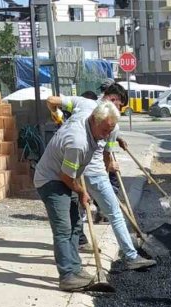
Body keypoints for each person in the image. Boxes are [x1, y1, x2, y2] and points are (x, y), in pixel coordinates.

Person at [47, 85, 156, 271]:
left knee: (82, 208)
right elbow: (51, 100)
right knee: (112, 212)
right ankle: (130, 256)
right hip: (86, 168)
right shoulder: (85, 103)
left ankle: (80, 244)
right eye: (113, 100)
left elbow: (108, 151)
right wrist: (57, 114)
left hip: (75, 166)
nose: (114, 105)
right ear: (105, 96)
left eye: (118, 104)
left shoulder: (93, 110)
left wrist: (58, 116)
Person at [34, 100, 120, 291]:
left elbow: (71, 173)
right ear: (94, 122)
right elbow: (66, 176)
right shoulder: (78, 142)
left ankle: (75, 268)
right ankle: (67, 276)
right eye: (105, 130)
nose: (107, 136)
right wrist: (82, 192)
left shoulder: (89, 115)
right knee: (63, 228)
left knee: (75, 225)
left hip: (65, 176)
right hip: (51, 180)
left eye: (110, 130)